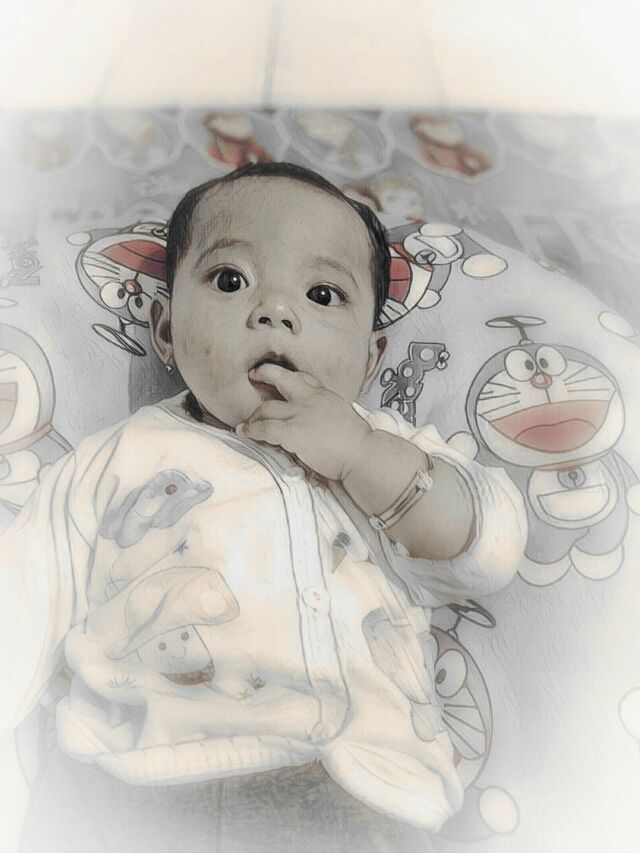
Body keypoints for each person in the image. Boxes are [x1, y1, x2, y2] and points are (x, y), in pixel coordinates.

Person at [1, 162, 527, 853]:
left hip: (359, 784)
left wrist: (360, 453)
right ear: (166, 329)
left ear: (370, 359)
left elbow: (487, 545)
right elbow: (23, 596)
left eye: (322, 294)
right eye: (230, 280)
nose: (275, 312)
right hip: (137, 775)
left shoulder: (389, 450)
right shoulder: (115, 457)